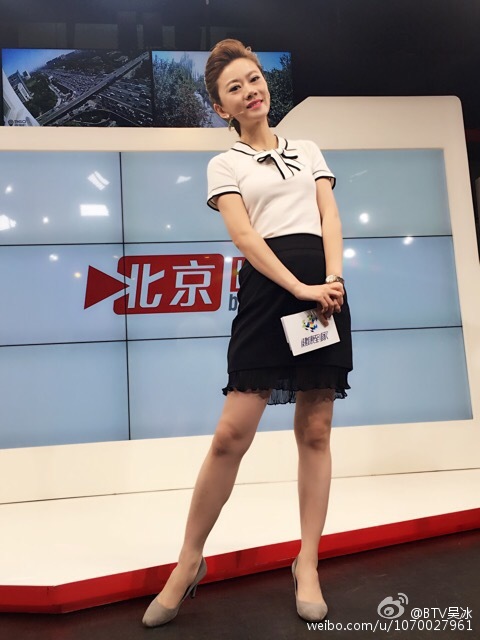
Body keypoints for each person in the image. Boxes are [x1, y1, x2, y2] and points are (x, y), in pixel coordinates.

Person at [142, 38, 352, 627]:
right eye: (234, 88)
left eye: (253, 79)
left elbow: (329, 216)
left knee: (316, 429)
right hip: (270, 294)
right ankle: (188, 562)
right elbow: (245, 238)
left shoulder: (308, 150)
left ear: (266, 83)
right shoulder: (225, 164)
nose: (250, 91)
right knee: (230, 435)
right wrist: (299, 287)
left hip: (323, 294)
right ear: (221, 108)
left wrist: (331, 279)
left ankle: (307, 562)